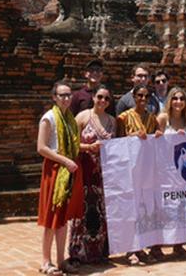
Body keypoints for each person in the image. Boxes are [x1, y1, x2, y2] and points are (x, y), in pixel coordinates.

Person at [37, 81, 84, 275]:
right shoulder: (49, 118)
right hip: (55, 169)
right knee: (51, 218)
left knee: (63, 219)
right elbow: (41, 147)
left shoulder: (70, 119)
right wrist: (64, 160)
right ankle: (45, 261)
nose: (66, 98)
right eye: (62, 95)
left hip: (68, 168)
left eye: (68, 95)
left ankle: (60, 259)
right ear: (54, 97)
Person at [68, 86, 116, 266]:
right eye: (100, 97)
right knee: (82, 211)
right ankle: (78, 252)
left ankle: (100, 251)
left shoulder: (112, 121)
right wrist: (88, 147)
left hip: (103, 174)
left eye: (106, 98)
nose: (103, 101)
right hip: (85, 170)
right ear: (93, 98)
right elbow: (70, 143)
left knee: (101, 211)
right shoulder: (82, 117)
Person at [115, 83, 161, 265]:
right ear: (133, 97)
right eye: (139, 96)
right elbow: (116, 143)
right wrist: (132, 136)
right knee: (130, 208)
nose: (143, 99)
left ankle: (141, 246)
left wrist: (158, 136)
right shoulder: (123, 118)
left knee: (144, 208)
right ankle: (130, 249)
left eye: (146, 96)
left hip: (146, 170)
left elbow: (156, 140)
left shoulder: (152, 118)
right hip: (128, 170)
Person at [156, 87, 186, 258]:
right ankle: (157, 245)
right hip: (165, 170)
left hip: (182, 172)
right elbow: (154, 140)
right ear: (169, 101)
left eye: (182, 98)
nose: (178, 101)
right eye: (175, 98)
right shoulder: (163, 118)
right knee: (163, 207)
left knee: (181, 207)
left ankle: (178, 243)